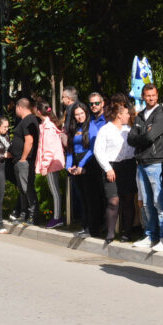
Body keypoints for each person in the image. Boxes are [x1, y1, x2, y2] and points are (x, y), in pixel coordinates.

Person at [128, 83, 163, 249]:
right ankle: (151, 235)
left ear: (157, 95)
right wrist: (144, 134)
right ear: (143, 96)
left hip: (156, 161)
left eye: (153, 95)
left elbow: (150, 137)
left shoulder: (161, 114)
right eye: (148, 95)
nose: (151, 98)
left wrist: (142, 135)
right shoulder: (140, 115)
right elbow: (130, 138)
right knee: (146, 203)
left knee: (159, 202)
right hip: (141, 162)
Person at [93, 98, 136, 246]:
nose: (128, 116)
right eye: (126, 113)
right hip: (111, 166)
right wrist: (108, 168)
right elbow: (98, 150)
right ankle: (110, 232)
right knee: (113, 200)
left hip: (128, 165)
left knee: (128, 199)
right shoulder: (106, 129)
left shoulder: (129, 129)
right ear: (119, 115)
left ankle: (127, 232)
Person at [65, 103, 99, 237]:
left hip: (89, 163)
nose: (80, 117)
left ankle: (92, 228)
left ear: (86, 113)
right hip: (76, 163)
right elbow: (70, 149)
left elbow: (93, 149)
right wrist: (69, 165)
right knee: (82, 197)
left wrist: (81, 165)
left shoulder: (92, 127)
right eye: (77, 114)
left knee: (91, 198)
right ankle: (84, 226)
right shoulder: (74, 128)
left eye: (81, 113)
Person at [34, 98, 65, 228]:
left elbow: (48, 149)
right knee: (55, 190)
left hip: (51, 164)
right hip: (52, 163)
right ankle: (57, 216)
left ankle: (57, 217)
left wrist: (45, 166)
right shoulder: (46, 124)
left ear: (38, 111)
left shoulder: (48, 127)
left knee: (54, 191)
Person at [9, 98, 40, 224]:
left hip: (25, 161)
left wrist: (23, 158)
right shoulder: (25, 120)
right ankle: (24, 212)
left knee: (27, 188)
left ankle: (33, 214)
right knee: (22, 189)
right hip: (19, 160)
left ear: (19, 107)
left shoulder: (28, 120)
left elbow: (29, 141)